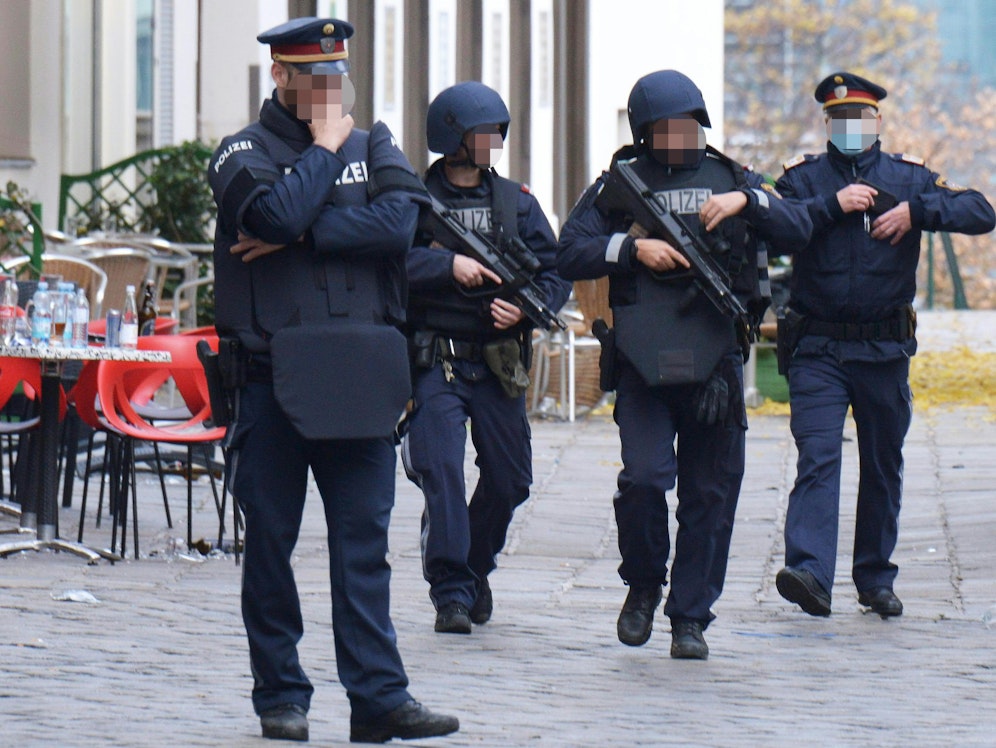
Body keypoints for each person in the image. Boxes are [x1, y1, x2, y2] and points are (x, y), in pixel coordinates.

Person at [207, 17, 458, 743]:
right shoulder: (240, 153)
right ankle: (281, 695)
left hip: (361, 380)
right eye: (312, 76)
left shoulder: (374, 141)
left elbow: (404, 224)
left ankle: (379, 699)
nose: (327, 89)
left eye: (334, 76)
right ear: (281, 77)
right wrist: (321, 154)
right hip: (271, 381)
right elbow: (270, 211)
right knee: (272, 546)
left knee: (363, 547)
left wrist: (308, 233)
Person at [557, 70, 812, 659]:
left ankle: (690, 616)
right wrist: (632, 248)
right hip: (644, 365)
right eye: (669, 127)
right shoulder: (619, 185)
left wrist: (749, 199)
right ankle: (643, 585)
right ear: (647, 132)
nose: (682, 136)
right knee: (645, 481)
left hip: (715, 363)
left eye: (690, 125)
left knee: (711, 494)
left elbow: (799, 227)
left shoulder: (732, 178)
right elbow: (568, 249)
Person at [773, 72, 995, 619]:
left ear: (877, 122)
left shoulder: (907, 177)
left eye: (861, 118)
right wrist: (832, 205)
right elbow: (773, 228)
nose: (851, 128)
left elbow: (980, 212)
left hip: (883, 353)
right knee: (818, 458)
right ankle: (810, 573)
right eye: (840, 119)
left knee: (882, 465)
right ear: (826, 123)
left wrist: (916, 212)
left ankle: (874, 578)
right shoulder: (803, 181)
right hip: (819, 349)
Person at [401, 82, 571, 634]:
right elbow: (387, 264)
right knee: (442, 468)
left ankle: (474, 567)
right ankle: (451, 589)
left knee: (511, 477)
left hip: (499, 359)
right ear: (452, 137)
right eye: (483, 133)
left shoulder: (516, 203)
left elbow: (555, 269)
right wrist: (446, 268)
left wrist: (525, 307)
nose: (493, 142)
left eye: (497, 132)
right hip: (437, 362)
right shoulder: (412, 202)